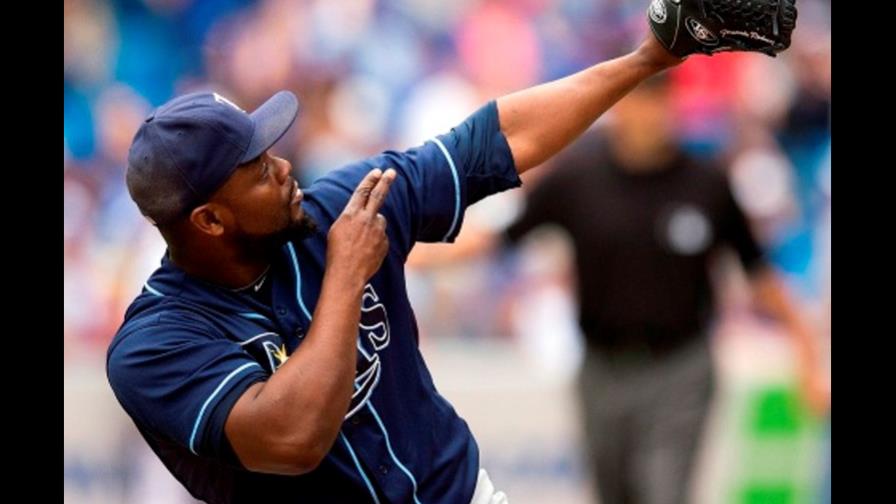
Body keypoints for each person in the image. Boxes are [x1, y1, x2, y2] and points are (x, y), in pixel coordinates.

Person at [106, 2, 799, 502]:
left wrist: (649, 58)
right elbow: (290, 440)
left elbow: (492, 144)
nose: (284, 166)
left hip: (460, 490)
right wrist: (345, 277)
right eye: (256, 169)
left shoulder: (337, 208)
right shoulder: (155, 344)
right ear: (209, 218)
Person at [497, 74, 828, 504]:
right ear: (617, 106)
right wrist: (424, 241)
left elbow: (758, 272)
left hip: (680, 367)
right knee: (614, 492)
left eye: (661, 100)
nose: (652, 114)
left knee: (664, 490)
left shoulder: (706, 183)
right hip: (602, 367)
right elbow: (504, 237)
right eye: (639, 100)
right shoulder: (578, 178)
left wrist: (804, 346)